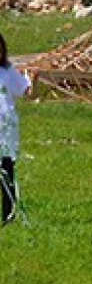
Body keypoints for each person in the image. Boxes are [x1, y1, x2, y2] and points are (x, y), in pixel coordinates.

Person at [0, 31, 32, 225]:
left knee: (6, 168)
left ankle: (8, 213)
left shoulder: (8, 70)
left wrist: (31, 81)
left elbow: (23, 90)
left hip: (5, 125)